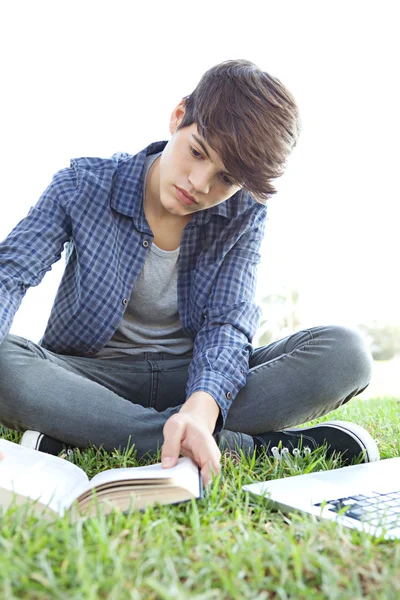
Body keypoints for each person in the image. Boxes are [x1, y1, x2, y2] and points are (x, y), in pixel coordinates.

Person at [0, 60, 378, 487]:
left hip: (194, 378)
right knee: (3, 361)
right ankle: (239, 446)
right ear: (179, 116)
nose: (200, 184)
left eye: (226, 178)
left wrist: (202, 405)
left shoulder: (243, 213)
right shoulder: (81, 185)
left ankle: (89, 433)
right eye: (197, 152)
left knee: (345, 353)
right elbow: (10, 271)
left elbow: (227, 321)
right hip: (91, 379)